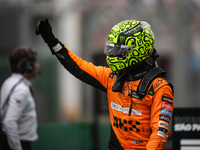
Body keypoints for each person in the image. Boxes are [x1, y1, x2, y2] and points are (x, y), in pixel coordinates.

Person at [35, 19, 174, 150]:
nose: (113, 55)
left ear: (138, 50)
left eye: (118, 51)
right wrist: (51, 40)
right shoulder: (111, 77)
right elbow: (77, 67)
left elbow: (159, 133)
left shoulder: (160, 88)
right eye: (112, 49)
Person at [0, 46, 40, 150]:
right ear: (28, 66)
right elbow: (9, 122)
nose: (37, 66)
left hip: (11, 141)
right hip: (19, 143)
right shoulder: (21, 90)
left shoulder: (9, 82)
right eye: (34, 62)